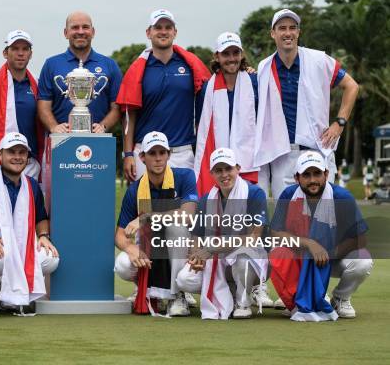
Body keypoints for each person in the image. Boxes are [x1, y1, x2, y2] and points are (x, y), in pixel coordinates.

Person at [254, 9, 359, 201]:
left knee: (322, 218)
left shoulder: (319, 60)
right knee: (286, 219)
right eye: (282, 28)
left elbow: (351, 86)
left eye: (293, 28)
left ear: (298, 32)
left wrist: (340, 122)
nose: (288, 33)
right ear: (273, 33)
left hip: (317, 149)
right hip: (282, 155)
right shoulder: (264, 67)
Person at [269, 151, 373, 320]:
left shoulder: (341, 197)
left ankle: (340, 298)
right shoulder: (289, 195)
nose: (312, 180)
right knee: (277, 252)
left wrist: (329, 254)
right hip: (300, 257)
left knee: (363, 261)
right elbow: (275, 232)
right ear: (297, 178)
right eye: (306, 175)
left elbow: (361, 239)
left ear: (326, 174)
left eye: (317, 173)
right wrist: (309, 244)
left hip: (333, 257)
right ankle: (298, 298)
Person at [0, 132, 59, 316]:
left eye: (22, 152)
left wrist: (43, 236)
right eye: (11, 152)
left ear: (27, 157)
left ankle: (1, 289)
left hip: (20, 245)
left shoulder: (31, 185)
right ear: (0, 155)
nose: (17, 157)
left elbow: (41, 217)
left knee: (51, 259)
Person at [117, 9, 211, 181]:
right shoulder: (138, 70)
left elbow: (212, 93)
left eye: (168, 27)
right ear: (148, 32)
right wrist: (128, 153)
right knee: (146, 208)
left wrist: (245, 70)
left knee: (182, 207)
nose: (163, 31)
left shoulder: (191, 66)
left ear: (175, 32)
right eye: (158, 27)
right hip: (145, 154)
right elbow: (129, 115)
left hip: (182, 153)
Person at [176, 148, 269, 319]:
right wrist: (197, 257)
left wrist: (211, 249)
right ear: (211, 173)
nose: (224, 174)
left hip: (251, 259)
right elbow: (196, 238)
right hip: (218, 263)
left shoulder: (254, 193)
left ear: (238, 168)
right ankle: (230, 292)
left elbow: (253, 238)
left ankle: (243, 302)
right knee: (184, 279)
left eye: (228, 168)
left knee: (243, 261)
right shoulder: (206, 199)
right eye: (218, 170)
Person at [114, 131, 198, 316]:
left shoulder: (185, 176)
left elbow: (188, 215)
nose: (158, 158)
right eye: (152, 153)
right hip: (150, 251)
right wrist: (130, 249)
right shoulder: (135, 190)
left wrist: (147, 216)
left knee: (175, 225)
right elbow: (120, 234)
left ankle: (177, 295)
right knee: (122, 264)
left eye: (162, 152)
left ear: (169, 154)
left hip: (183, 252)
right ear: (142, 157)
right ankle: (147, 288)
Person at [194, 32, 259, 196]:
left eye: (235, 53)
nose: (231, 58)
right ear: (217, 56)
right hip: (220, 162)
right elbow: (201, 129)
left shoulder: (255, 82)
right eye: (226, 53)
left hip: (250, 161)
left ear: (242, 54)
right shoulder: (207, 89)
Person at [37, 11, 122, 135]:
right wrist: (54, 127)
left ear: (93, 32)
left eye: (85, 27)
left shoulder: (110, 65)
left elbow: (116, 107)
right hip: (61, 142)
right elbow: (43, 106)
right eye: (75, 27)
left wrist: (103, 126)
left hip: (98, 141)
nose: (81, 32)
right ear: (66, 33)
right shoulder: (51, 64)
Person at [0, 30, 44, 178]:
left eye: (25, 49)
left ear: (30, 54)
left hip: (29, 164)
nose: (20, 53)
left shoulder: (38, 84)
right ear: (5, 53)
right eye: (15, 49)